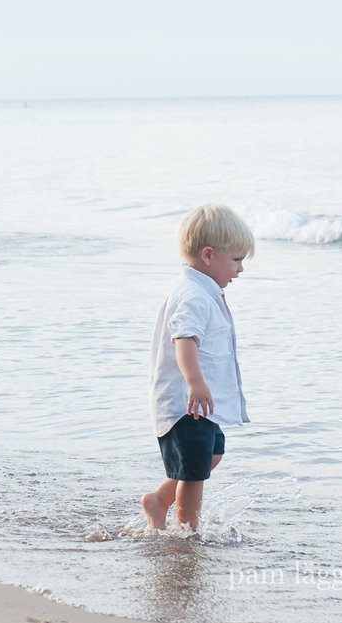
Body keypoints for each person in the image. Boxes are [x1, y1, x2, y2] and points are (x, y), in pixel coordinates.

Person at [141, 203, 254, 532]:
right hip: (185, 404)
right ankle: (187, 533)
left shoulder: (200, 291)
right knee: (194, 474)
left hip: (198, 405)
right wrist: (194, 383)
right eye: (235, 260)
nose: (241, 269)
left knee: (210, 455)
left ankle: (160, 499)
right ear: (208, 255)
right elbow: (184, 339)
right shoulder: (193, 295)